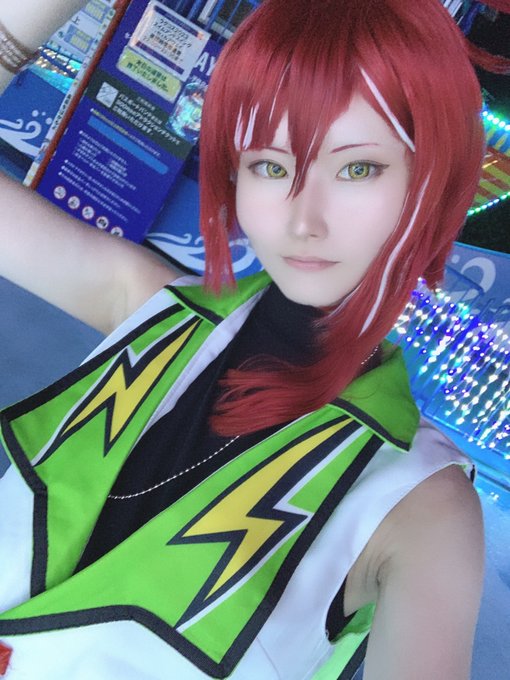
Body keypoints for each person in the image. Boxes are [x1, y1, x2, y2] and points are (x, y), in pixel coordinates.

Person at [0, 0, 491, 678]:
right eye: (269, 165)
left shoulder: (421, 506)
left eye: (357, 168)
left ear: (432, 180)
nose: (304, 220)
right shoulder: (155, 308)